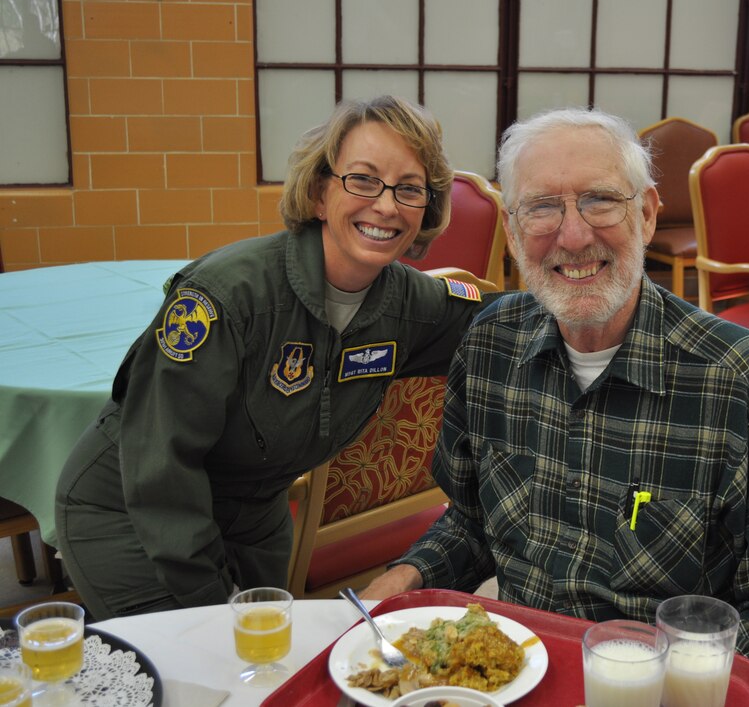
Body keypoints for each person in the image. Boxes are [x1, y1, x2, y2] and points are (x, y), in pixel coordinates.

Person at [361, 107, 749, 693]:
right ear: (514, 236)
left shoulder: (735, 378)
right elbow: (471, 525)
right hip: (516, 684)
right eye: (542, 207)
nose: (572, 236)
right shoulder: (490, 344)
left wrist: (661, 682)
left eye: (599, 200)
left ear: (645, 214)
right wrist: (402, 580)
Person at [56, 96, 488, 620]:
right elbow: (161, 471)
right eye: (363, 179)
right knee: (199, 675)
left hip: (256, 517)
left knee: (262, 672)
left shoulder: (408, 302)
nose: (386, 205)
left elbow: (509, 321)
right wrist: (211, 614)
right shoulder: (226, 298)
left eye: (409, 188)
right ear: (319, 193)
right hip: (133, 514)